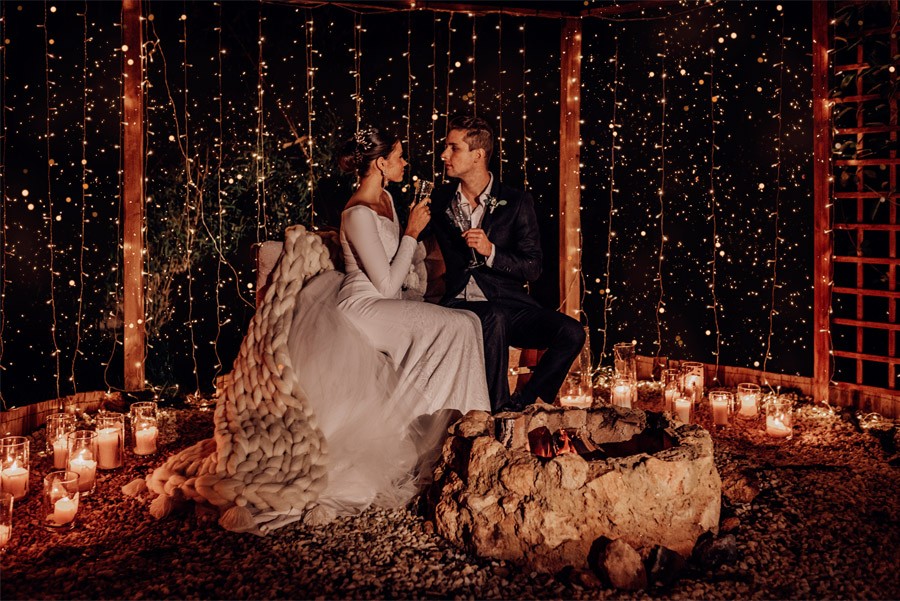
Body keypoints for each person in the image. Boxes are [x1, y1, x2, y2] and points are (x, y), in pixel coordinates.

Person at [286, 125, 491, 520]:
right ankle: (419, 443)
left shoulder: (386, 199)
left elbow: (396, 279)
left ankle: (463, 434)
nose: (403, 162)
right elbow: (384, 284)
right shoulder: (357, 212)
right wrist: (413, 232)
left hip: (385, 303)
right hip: (363, 306)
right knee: (457, 326)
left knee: (466, 321)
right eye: (398, 156)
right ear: (380, 163)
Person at [429, 114, 586, 413]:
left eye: (453, 148)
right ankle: (497, 411)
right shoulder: (438, 201)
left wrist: (491, 251)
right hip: (460, 305)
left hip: (509, 304)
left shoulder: (515, 201)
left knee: (572, 332)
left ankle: (527, 404)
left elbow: (532, 267)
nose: (444, 155)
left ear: (478, 155)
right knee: (494, 316)